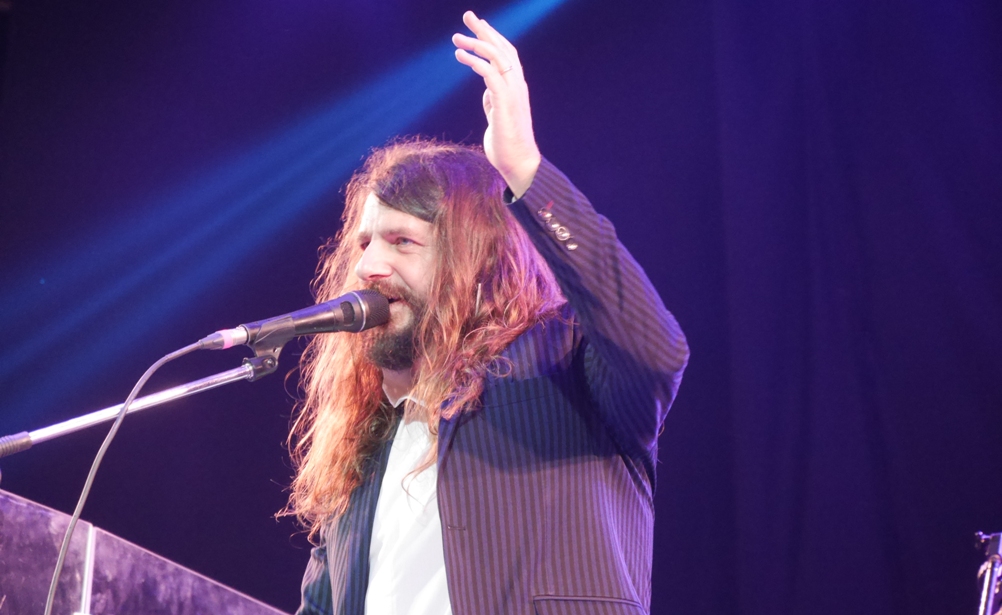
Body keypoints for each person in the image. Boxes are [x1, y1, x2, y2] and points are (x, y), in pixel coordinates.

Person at [288, 11, 689, 615]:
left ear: (476, 263)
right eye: (365, 242)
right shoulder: (362, 450)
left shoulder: (562, 366)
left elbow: (655, 350)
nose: (368, 265)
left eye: (402, 242)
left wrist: (525, 169)